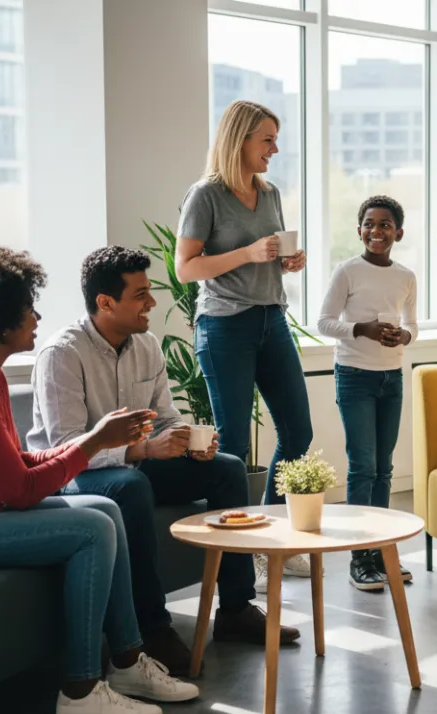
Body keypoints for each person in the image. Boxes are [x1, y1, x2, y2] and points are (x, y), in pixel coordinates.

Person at [0, 246, 198, 714]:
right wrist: (93, 443)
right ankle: (81, 690)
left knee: (103, 509)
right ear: (0, 323)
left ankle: (127, 663)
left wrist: (93, 439)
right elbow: (19, 490)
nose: (37, 315)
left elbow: (15, 462)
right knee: (91, 528)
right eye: (27, 308)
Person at [27, 246, 299, 676]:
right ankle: (151, 629)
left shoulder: (146, 345)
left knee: (227, 468)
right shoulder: (62, 354)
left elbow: (164, 416)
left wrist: (190, 441)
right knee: (130, 486)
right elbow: (65, 446)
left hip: (135, 462)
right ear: (105, 302)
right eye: (140, 294)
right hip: (76, 475)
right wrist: (140, 451)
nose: (152, 302)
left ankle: (235, 608)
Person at [176, 99, 314, 585]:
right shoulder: (205, 196)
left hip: (272, 320)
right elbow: (186, 268)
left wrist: (287, 261)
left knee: (298, 432)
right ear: (240, 140)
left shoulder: (271, 192)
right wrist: (248, 252)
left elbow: (268, 254)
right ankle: (241, 553)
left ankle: (268, 536)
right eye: (267, 140)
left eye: (275, 139)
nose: (275, 149)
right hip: (224, 326)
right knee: (232, 445)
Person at [318, 195, 418, 592]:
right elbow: (324, 322)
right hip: (354, 375)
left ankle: (380, 548)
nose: (377, 231)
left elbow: (412, 324)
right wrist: (363, 329)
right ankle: (360, 557)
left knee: (385, 469)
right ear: (359, 230)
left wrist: (402, 336)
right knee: (363, 467)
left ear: (399, 232)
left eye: (386, 225)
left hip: (391, 377)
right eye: (370, 224)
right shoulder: (347, 271)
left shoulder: (406, 276)